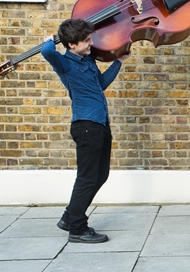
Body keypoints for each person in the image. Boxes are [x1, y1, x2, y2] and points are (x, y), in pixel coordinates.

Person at [41, 18, 130, 243]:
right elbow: (46, 51)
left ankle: (69, 217)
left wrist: (118, 61)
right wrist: (51, 40)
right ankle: (78, 229)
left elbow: (101, 84)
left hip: (100, 124)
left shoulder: (88, 61)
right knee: (87, 178)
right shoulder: (65, 64)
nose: (91, 44)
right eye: (87, 41)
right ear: (71, 44)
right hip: (86, 126)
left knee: (101, 175)